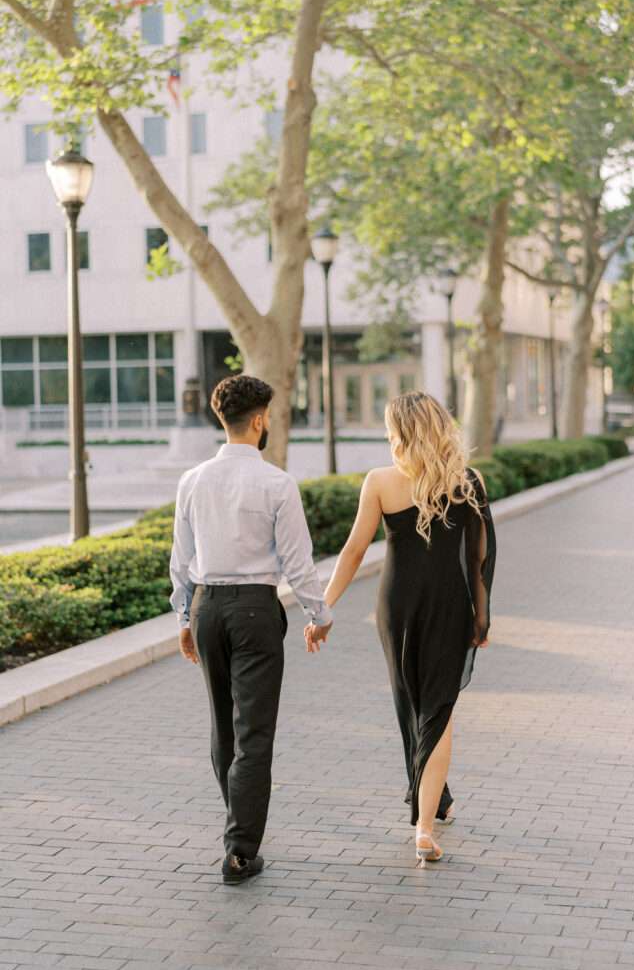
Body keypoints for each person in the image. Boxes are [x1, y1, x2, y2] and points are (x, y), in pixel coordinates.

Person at [307, 390, 496, 866]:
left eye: (392, 430)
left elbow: (353, 552)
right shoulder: (467, 482)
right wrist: (481, 614)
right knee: (438, 710)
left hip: (395, 607)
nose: (388, 439)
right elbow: (479, 559)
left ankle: (429, 812)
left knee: (415, 704)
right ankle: (428, 820)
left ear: (405, 433)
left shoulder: (380, 482)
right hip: (449, 605)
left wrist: (322, 608)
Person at [169, 375, 333, 886]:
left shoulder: (192, 481)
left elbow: (180, 561)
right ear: (259, 421)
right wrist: (319, 615)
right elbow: (298, 564)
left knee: (224, 726)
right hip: (256, 612)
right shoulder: (277, 484)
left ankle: (239, 825)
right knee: (253, 733)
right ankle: (240, 852)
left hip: (207, 607)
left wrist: (183, 617)